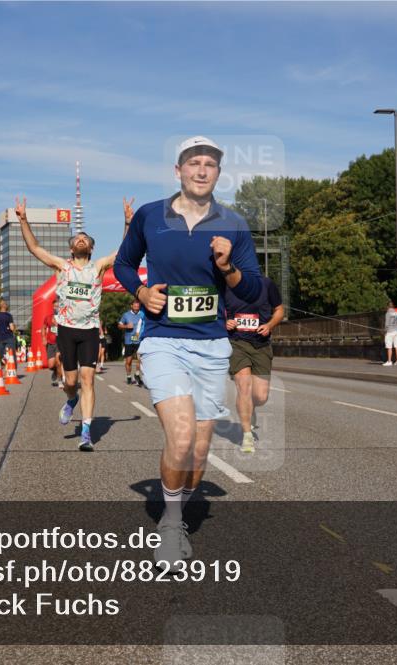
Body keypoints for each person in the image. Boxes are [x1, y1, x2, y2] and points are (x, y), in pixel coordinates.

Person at [113, 136, 262, 566]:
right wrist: (141, 290)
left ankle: (181, 497)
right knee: (178, 438)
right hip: (163, 340)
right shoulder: (149, 216)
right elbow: (124, 263)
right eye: (193, 163)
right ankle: (171, 523)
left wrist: (227, 268)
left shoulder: (233, 224)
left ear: (218, 173)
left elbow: (251, 289)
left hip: (212, 346)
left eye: (210, 165)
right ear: (177, 171)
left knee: (197, 454)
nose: (201, 170)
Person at [17, 194, 134, 451]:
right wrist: (24, 220)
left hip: (90, 331)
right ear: (72, 248)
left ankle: (86, 432)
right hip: (67, 331)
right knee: (70, 383)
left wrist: (127, 224)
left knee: (88, 380)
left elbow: (123, 251)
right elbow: (35, 248)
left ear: (91, 248)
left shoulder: (99, 267)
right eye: (77, 239)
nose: (81, 240)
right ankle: (71, 401)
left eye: (86, 239)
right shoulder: (61, 267)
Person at [225, 275, 284, 453]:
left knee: (260, 396)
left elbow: (280, 310)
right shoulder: (225, 286)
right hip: (236, 342)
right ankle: (247, 435)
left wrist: (270, 325)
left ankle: (251, 407)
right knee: (243, 386)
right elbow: (215, 312)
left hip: (261, 344)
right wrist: (224, 322)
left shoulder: (266, 283)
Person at [118, 300, 146, 386]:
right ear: (131, 306)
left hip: (139, 339)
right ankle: (129, 376)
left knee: (140, 359)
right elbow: (119, 325)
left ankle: (137, 374)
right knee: (129, 361)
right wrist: (126, 326)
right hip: (129, 340)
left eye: (138, 306)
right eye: (135, 305)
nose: (136, 307)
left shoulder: (142, 314)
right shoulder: (126, 315)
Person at [41, 308, 63, 387]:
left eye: (58, 306)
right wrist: (43, 338)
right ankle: (55, 371)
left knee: (58, 361)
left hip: (60, 342)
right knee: (50, 365)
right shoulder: (48, 317)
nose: (56, 308)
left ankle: (60, 380)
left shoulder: (63, 317)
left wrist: (57, 324)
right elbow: (43, 327)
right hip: (50, 343)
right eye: (55, 306)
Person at [0, 300, 17, 365]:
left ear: (0, 307)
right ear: (6, 307)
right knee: (12, 354)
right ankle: (13, 369)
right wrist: (14, 328)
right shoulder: (9, 316)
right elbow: (11, 327)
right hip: (9, 337)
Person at [383, 300, 397, 366]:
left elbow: (387, 324)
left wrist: (385, 331)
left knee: (389, 347)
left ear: (388, 306)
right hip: (396, 331)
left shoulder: (388, 313)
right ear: (393, 306)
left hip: (390, 332)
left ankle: (389, 361)